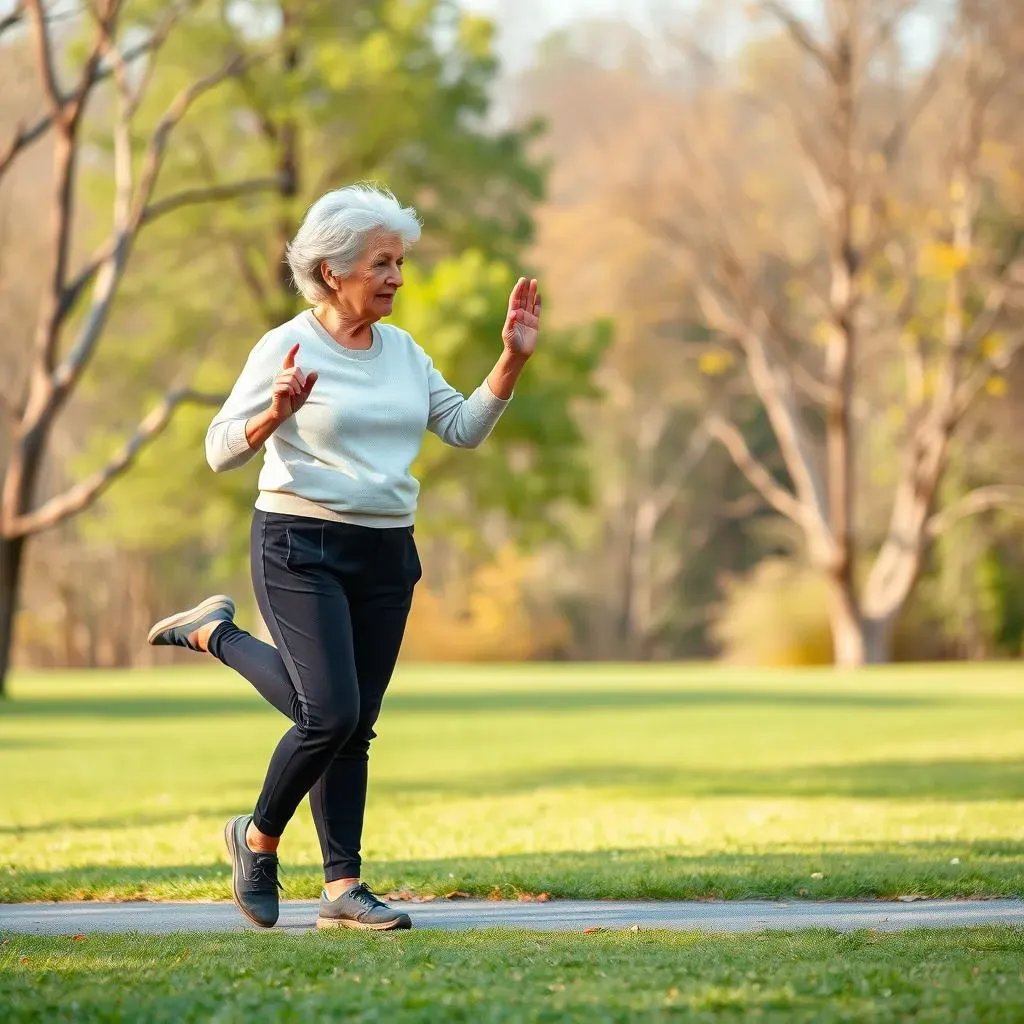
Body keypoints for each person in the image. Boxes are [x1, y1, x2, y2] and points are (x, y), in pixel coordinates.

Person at [146, 183, 541, 931]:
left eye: (399, 261)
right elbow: (217, 450)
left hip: (387, 552)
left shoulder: (402, 351)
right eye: (382, 262)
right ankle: (256, 839)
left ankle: (342, 888)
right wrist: (273, 415)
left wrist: (510, 363)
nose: (397, 276)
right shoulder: (285, 344)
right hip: (300, 544)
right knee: (330, 712)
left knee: (353, 725)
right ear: (334, 271)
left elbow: (460, 428)